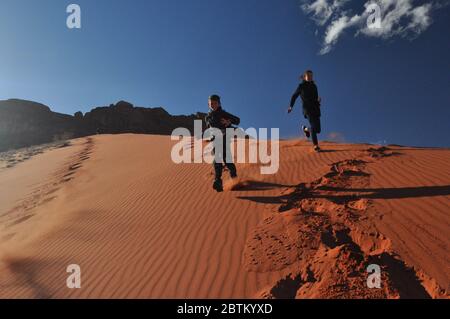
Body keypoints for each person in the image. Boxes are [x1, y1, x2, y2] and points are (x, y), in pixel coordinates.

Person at [205, 94, 240, 192]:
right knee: (217, 158)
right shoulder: (207, 117)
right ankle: (218, 181)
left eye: (215, 103)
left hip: (225, 138)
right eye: (211, 103)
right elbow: (210, 128)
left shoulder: (223, 113)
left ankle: (234, 177)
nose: (213, 105)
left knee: (226, 159)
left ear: (219, 104)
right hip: (215, 140)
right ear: (208, 104)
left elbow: (237, 120)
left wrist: (229, 122)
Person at [287, 70, 322, 152]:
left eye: (311, 76)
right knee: (313, 126)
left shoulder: (314, 86)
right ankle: (315, 145)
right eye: (308, 76)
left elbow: (316, 98)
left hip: (316, 109)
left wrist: (318, 101)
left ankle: (306, 129)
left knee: (318, 130)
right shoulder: (301, 86)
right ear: (305, 77)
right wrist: (291, 106)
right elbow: (294, 96)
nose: (310, 77)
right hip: (307, 109)